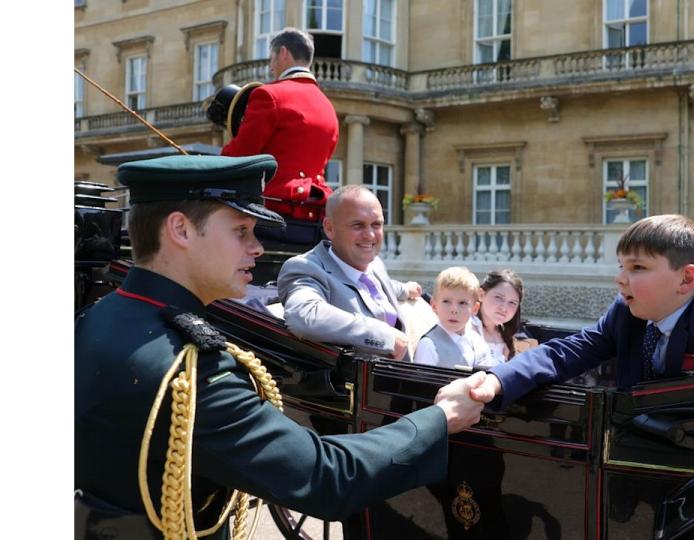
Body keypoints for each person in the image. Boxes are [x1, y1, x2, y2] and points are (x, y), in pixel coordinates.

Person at [75, 154, 486, 539]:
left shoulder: (96, 318)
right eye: (241, 231)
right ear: (180, 229)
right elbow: (326, 477)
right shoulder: (193, 372)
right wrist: (440, 419)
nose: (256, 248)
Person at [469, 214, 694, 408]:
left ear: (686, 278)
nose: (620, 278)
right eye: (622, 266)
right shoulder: (625, 312)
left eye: (638, 267)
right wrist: (497, 381)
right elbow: (564, 352)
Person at [278, 185, 422, 360]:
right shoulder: (305, 268)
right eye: (358, 225)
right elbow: (304, 316)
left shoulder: (375, 264)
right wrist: (383, 336)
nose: (370, 235)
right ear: (330, 228)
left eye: (376, 225)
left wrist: (406, 289)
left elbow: (373, 285)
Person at [221, 28, 337, 240]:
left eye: (271, 58)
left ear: (283, 53)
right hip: (314, 217)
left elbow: (239, 155)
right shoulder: (328, 107)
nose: (270, 66)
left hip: (271, 213)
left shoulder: (269, 95)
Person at [414, 266, 496, 370]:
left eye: (462, 303)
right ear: (434, 305)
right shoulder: (429, 345)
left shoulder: (479, 344)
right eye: (446, 301)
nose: (454, 310)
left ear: (475, 309)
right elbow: (420, 384)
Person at [470, 269, 525, 363]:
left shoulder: (506, 336)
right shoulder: (465, 328)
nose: (504, 308)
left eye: (512, 303)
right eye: (498, 298)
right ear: (481, 294)